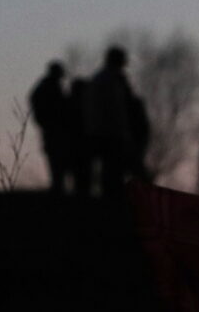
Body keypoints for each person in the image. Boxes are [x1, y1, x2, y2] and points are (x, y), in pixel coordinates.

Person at [83, 45, 144, 199]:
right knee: (113, 171)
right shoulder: (111, 80)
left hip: (103, 132)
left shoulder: (102, 79)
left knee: (112, 170)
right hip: (110, 133)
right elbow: (116, 109)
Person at [28, 61, 80, 195]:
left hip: (54, 135)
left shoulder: (45, 88)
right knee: (60, 172)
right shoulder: (49, 88)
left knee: (59, 172)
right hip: (56, 136)